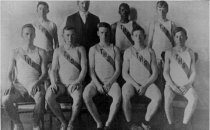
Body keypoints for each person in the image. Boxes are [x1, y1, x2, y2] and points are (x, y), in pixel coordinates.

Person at [2, 24, 48, 130]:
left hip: (35, 83)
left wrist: (37, 83)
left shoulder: (41, 52)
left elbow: (45, 73)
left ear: (35, 35)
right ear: (22, 35)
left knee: (40, 97)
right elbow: (9, 73)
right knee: (5, 100)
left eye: (32, 34)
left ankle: (35, 124)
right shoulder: (15, 52)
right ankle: (18, 124)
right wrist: (9, 84)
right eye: (26, 34)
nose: (29, 36)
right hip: (19, 86)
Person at [45, 26, 87, 130]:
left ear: (76, 35)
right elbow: (53, 70)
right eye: (67, 35)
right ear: (63, 36)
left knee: (77, 99)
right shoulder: (58, 50)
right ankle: (63, 121)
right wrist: (53, 83)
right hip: (61, 85)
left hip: (75, 83)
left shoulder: (80, 49)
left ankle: (71, 123)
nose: (70, 38)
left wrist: (78, 82)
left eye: (72, 35)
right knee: (49, 96)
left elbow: (84, 69)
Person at [83, 22, 121, 130]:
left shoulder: (115, 49)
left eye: (106, 33)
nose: (104, 35)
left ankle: (108, 123)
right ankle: (99, 122)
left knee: (118, 97)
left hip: (111, 82)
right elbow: (91, 69)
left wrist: (109, 83)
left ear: (110, 33)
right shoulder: (93, 49)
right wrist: (98, 84)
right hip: (96, 82)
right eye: (102, 32)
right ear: (98, 33)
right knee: (86, 95)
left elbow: (118, 70)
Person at [122, 26, 161, 130]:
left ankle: (145, 122)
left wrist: (144, 86)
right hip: (132, 83)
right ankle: (130, 124)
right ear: (132, 37)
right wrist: (136, 85)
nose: (138, 37)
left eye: (140, 35)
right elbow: (124, 73)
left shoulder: (150, 51)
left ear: (144, 36)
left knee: (158, 97)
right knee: (125, 96)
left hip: (147, 83)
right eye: (135, 35)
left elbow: (155, 73)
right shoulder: (128, 51)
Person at [163, 27, 198, 130]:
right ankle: (171, 124)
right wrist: (173, 86)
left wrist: (188, 85)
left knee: (194, 98)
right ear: (174, 38)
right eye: (177, 36)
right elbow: (165, 72)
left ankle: (184, 124)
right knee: (167, 100)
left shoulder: (190, 52)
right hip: (172, 84)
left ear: (186, 37)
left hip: (185, 84)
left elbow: (194, 72)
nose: (180, 39)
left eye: (182, 36)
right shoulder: (169, 52)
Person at [147, 1, 176, 94]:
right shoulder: (154, 23)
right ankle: (159, 102)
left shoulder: (171, 24)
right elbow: (150, 41)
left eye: (163, 10)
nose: (161, 12)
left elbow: (174, 42)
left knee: (168, 79)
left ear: (167, 10)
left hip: (168, 56)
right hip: (156, 56)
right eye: (159, 10)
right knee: (157, 79)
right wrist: (149, 55)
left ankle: (166, 102)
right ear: (157, 10)